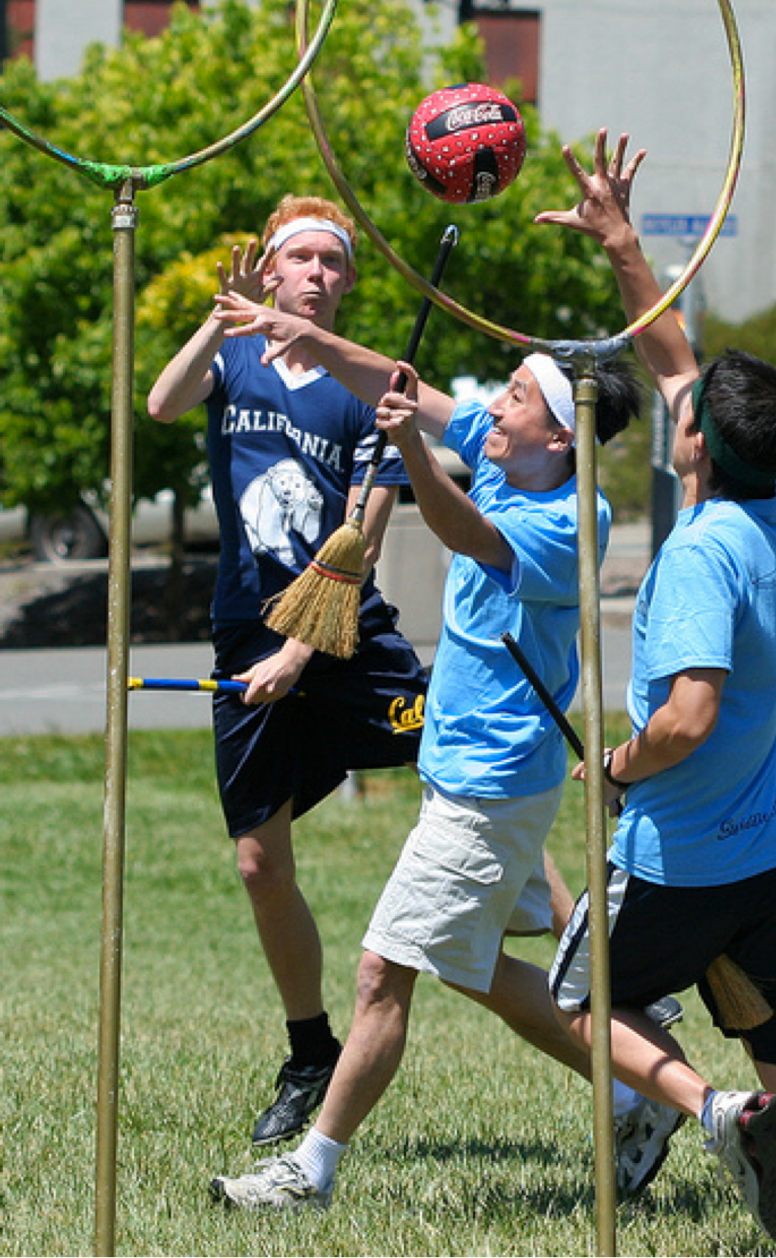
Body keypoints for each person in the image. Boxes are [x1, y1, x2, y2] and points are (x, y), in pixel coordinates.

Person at [204, 212, 692, 1213]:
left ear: (559, 432)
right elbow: (408, 388)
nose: (491, 402)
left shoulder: (568, 512)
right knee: (482, 970)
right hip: (469, 771)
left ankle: (313, 1168)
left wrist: (407, 460)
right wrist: (307, 339)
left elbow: (468, 534)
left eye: (513, 393)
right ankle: (659, 1073)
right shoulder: (520, 448)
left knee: (384, 968)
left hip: (486, 782)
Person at [536, 131, 776, 1255]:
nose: (672, 397)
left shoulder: (696, 555)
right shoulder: (768, 502)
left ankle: (714, 1111)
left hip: (683, 858)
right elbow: (672, 359)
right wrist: (622, 245)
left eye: (684, 405)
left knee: (583, 1003)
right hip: (774, 851)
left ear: (692, 445)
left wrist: (617, 764)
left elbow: (686, 715)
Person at [147, 196, 432, 1148]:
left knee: (467, 761)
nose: (314, 273)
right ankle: (310, 1049)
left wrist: (302, 649)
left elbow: (362, 544)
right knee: (259, 862)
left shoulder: (369, 386)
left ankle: (581, 955)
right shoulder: (230, 360)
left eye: (330, 262)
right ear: (270, 274)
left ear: (347, 281)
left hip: (347, 635)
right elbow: (160, 402)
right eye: (298, 259)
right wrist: (213, 319)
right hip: (245, 632)